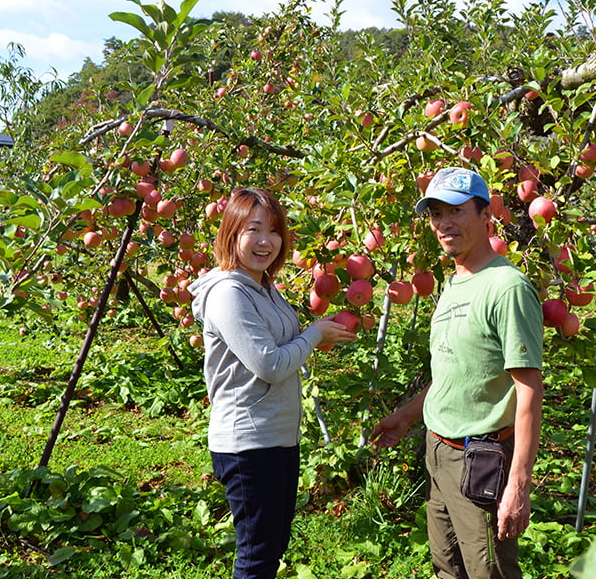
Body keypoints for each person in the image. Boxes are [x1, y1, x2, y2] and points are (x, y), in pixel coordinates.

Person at [371, 167, 544, 579]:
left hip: (479, 459)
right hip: (438, 450)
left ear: (486, 215)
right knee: (448, 567)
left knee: (489, 572)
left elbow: (529, 390)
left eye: (456, 210)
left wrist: (519, 482)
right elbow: (456, 371)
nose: (444, 223)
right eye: (435, 214)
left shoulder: (507, 288)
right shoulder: (453, 283)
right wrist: (408, 416)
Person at [189, 187, 355, 579]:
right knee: (257, 555)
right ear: (231, 234)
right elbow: (268, 364)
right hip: (248, 443)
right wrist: (314, 336)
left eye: (274, 231)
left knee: (273, 546)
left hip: (277, 436)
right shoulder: (229, 294)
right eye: (253, 230)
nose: (266, 241)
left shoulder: (263, 285)